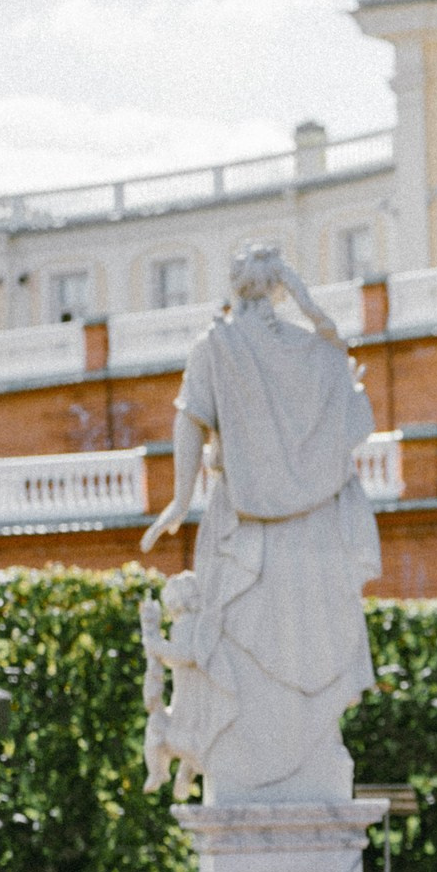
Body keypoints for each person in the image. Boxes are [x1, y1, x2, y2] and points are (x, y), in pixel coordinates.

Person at [140, 244, 380, 803]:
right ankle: (314, 762)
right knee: (310, 644)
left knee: (244, 648)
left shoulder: (215, 346)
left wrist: (179, 500)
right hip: (313, 531)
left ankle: (244, 762)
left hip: (244, 531)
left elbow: (190, 422)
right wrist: (312, 307)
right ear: (278, 289)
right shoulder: (314, 353)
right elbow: (349, 402)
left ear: (232, 286)